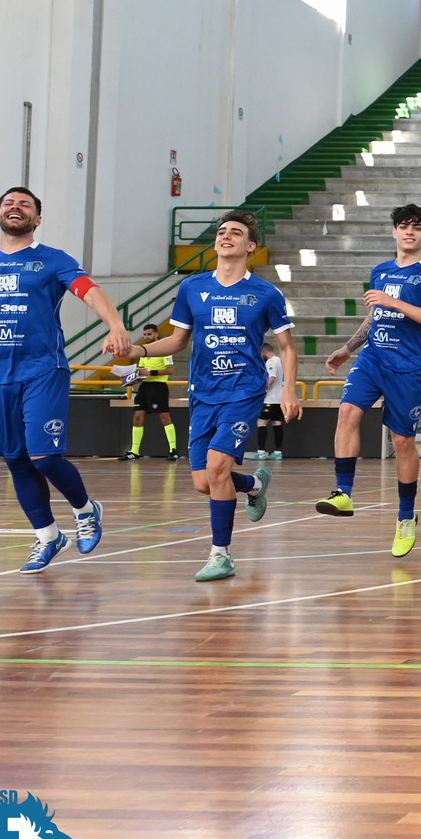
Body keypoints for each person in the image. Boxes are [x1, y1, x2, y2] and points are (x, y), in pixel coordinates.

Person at [0, 187, 130, 573]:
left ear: (37, 219)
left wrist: (114, 324)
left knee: (44, 456)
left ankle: (86, 509)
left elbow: (91, 292)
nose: (16, 208)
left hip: (43, 371)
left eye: (25, 205)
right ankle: (48, 536)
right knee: (16, 461)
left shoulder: (53, 261)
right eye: (8, 204)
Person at [131, 211, 298, 582]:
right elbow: (177, 341)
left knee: (219, 468)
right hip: (203, 392)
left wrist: (288, 389)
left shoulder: (266, 293)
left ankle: (221, 555)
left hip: (243, 391)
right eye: (222, 232)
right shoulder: (192, 288)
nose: (225, 237)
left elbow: (286, 346)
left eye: (235, 233)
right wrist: (139, 352)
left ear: (250, 246)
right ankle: (255, 485)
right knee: (203, 482)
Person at [321, 204, 421, 560]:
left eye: (417, 227)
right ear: (393, 232)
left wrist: (393, 301)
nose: (409, 232)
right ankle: (343, 492)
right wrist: (349, 348)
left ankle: (406, 516)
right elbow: (374, 316)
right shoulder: (380, 270)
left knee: (403, 441)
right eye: (403, 226)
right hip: (373, 358)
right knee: (347, 412)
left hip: (408, 368)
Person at [120, 327, 178, 461]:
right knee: (138, 416)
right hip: (145, 386)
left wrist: (151, 373)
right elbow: (141, 370)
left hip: (158, 386)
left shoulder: (164, 350)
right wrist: (131, 377)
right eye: (145, 334)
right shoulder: (144, 351)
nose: (147, 336)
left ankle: (173, 449)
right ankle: (134, 451)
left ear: (156, 334)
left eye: (149, 334)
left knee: (164, 417)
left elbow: (170, 370)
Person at [254, 345, 287, 460]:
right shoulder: (281, 361)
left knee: (261, 423)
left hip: (270, 399)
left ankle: (261, 452)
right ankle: (278, 452)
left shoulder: (271, 362)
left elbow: (271, 378)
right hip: (280, 398)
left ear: (264, 351)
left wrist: (260, 390)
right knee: (276, 423)